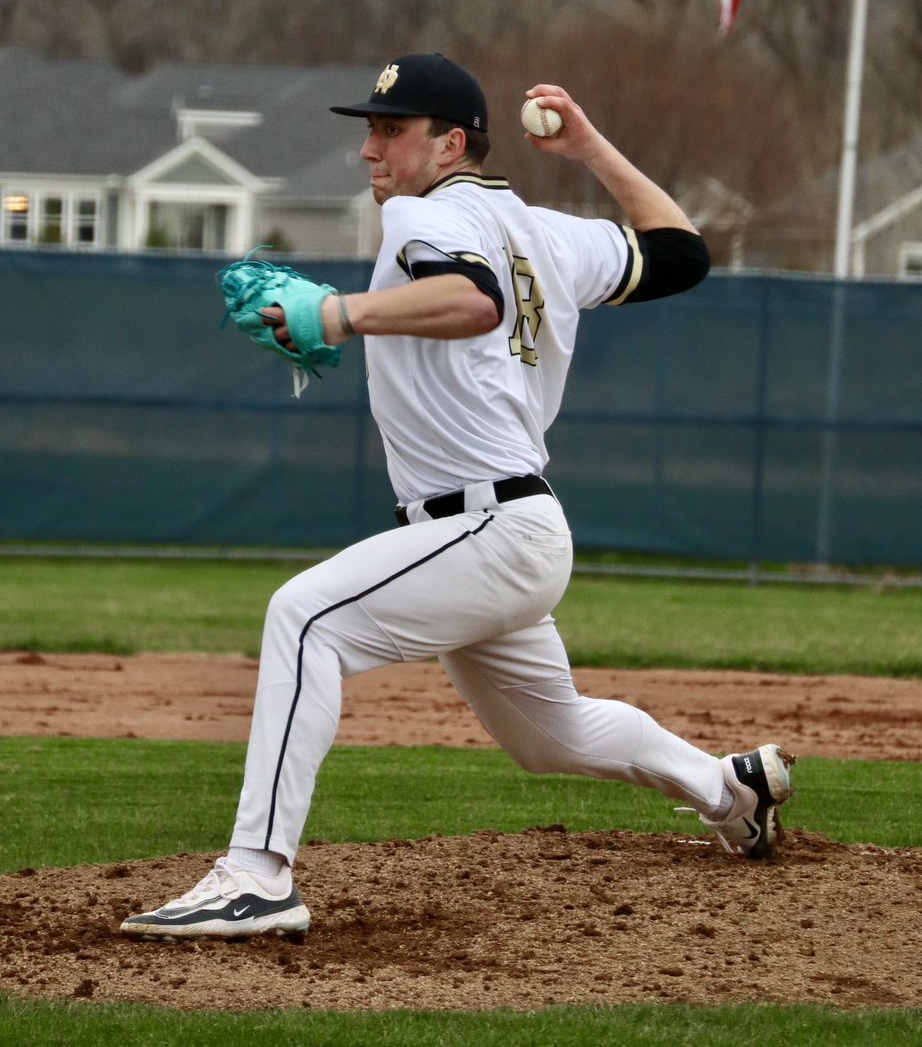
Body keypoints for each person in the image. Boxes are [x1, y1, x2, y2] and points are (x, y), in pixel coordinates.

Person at [120, 53, 794, 940]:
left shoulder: (418, 213)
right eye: (369, 128)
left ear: (451, 143)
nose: (370, 150)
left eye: (390, 130)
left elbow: (473, 302)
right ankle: (728, 789)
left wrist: (339, 315)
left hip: (488, 524)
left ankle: (257, 875)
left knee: (306, 619)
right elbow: (681, 252)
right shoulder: (546, 233)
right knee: (548, 737)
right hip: (509, 530)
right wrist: (592, 150)